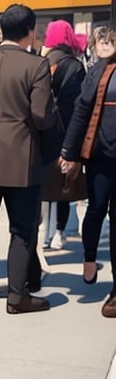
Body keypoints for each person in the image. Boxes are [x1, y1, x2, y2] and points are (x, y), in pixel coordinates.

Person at [0, 3, 56, 312]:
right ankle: (17, 296)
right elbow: (42, 116)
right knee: (22, 227)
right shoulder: (36, 65)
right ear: (30, 33)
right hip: (21, 153)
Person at [59, 28, 116, 317]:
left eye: (109, 41)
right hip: (99, 155)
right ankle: (90, 258)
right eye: (100, 42)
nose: (105, 46)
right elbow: (81, 112)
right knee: (95, 210)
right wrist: (68, 152)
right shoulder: (93, 73)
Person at [41, 19, 86, 250]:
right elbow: (80, 106)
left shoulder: (42, 62)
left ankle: (44, 232)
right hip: (67, 131)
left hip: (44, 130)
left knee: (44, 181)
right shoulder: (75, 66)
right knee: (64, 181)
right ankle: (59, 231)